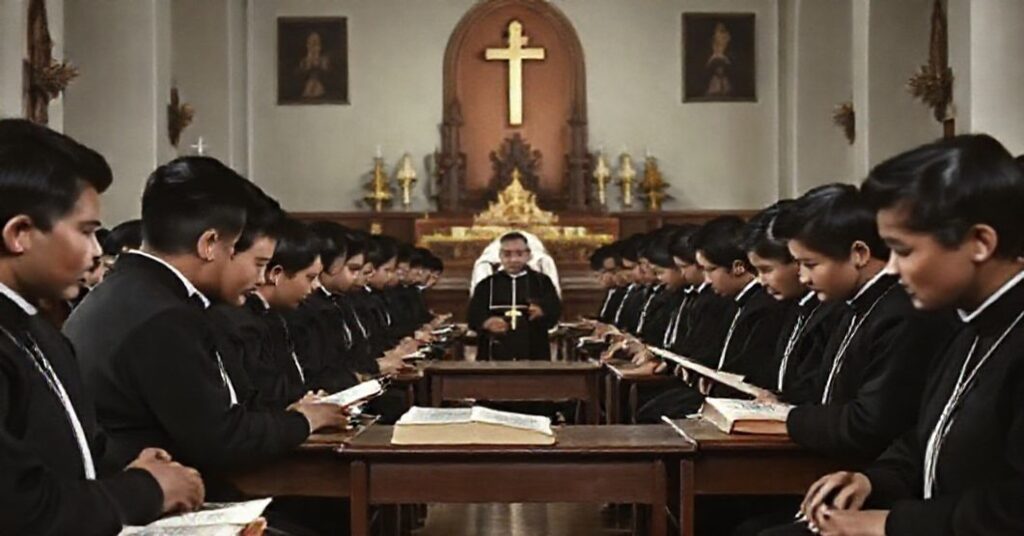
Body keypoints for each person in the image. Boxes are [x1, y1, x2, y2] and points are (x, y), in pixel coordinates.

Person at [777, 135, 1024, 535]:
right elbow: (930, 434)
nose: (890, 269)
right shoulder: (967, 325)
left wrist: (888, 523)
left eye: (903, 251)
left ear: (980, 242)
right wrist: (873, 479)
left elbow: (1013, 508)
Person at [63, 156, 347, 499]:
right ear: (209, 244)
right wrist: (305, 421)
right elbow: (221, 440)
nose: (258, 278)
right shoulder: (163, 314)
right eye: (234, 251)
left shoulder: (138, 291)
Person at [0, 118, 204, 534]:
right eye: (87, 232)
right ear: (20, 233)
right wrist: (146, 488)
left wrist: (132, 465)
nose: (97, 252)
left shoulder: (38, 330)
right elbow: (22, 509)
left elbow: (75, 450)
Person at [468, 232, 561, 360]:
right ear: (500, 256)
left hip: (534, 349)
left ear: (528, 255)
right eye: (507, 254)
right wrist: (486, 323)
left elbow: (556, 310)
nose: (513, 259)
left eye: (519, 254)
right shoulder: (486, 284)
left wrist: (542, 311)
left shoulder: (542, 282)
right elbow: (472, 315)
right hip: (493, 352)